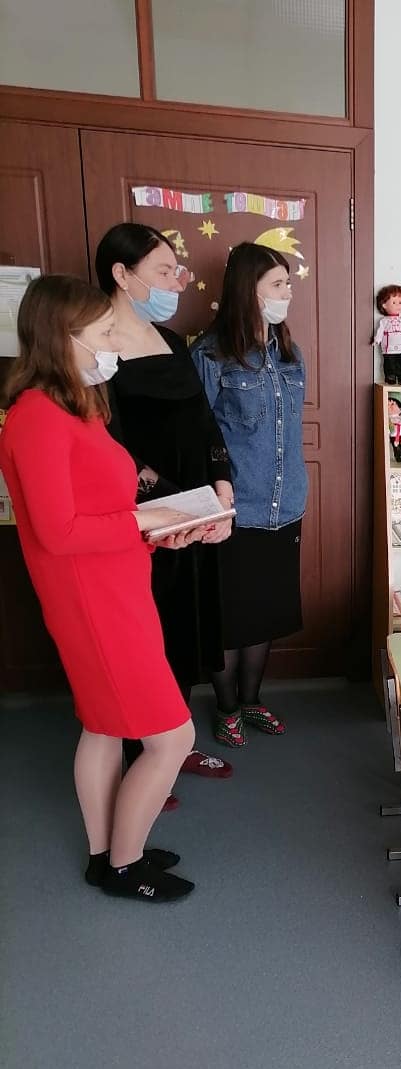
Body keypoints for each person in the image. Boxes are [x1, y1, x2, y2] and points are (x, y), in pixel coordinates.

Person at [0, 275, 201, 901]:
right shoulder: (35, 417)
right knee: (174, 737)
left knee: (104, 725)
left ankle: (104, 854)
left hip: (115, 584)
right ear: (63, 337)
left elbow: (101, 510)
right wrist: (145, 522)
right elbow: (58, 531)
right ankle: (124, 864)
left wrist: (156, 533)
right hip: (91, 599)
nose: (116, 342)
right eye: (105, 332)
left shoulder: (77, 407)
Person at [96, 223, 235, 800]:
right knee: (141, 638)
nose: (176, 282)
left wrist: (221, 483)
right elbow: (105, 442)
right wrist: (165, 496)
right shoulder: (94, 345)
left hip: (193, 513)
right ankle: (140, 754)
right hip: (142, 517)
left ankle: (174, 743)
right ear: (121, 274)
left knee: (183, 626)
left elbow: (204, 422)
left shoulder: (172, 342)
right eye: (162, 270)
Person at [191, 243, 307, 746]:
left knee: (264, 613)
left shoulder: (288, 351)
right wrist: (214, 500)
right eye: (277, 284)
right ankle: (227, 707)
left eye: (287, 283)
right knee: (230, 617)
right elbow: (199, 434)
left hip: (287, 505)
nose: (287, 293)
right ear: (248, 290)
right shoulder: (210, 354)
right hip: (233, 509)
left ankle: (253, 699)